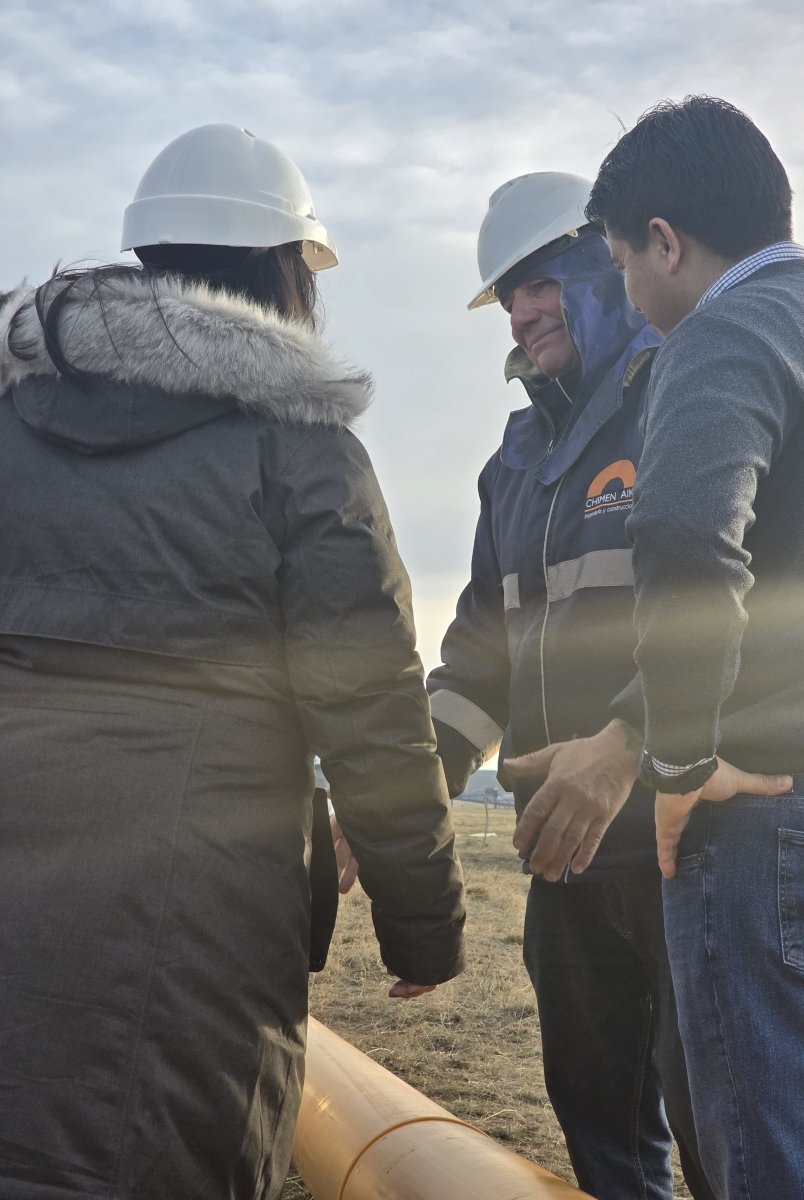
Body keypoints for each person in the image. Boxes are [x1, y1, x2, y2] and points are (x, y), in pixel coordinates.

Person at [0, 123, 465, 1200]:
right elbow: (373, 708)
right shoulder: (302, 452)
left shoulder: (12, 425)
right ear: (285, 274)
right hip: (197, 922)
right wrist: (423, 928)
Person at [538, 95, 804, 1199]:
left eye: (621, 263)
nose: (631, 298)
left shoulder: (720, 335)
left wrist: (682, 755)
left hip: (780, 819)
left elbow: (691, 539)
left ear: (665, 241)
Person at [426, 171, 715, 1200]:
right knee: (600, 1126)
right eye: (508, 296)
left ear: (605, 264)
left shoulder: (690, 394)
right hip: (564, 858)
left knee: (727, 1132)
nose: (520, 312)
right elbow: (479, 656)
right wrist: (403, 794)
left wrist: (630, 745)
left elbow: (741, 607)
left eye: (539, 283)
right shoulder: (514, 464)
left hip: (692, 843)